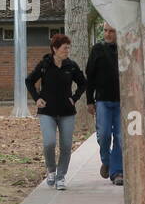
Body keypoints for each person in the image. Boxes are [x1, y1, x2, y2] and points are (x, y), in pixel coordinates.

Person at [25, 33, 86, 190]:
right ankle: (51, 169)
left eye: (68, 48)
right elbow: (29, 80)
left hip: (67, 112)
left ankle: (61, 177)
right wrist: (37, 98)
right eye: (65, 48)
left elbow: (83, 83)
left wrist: (75, 97)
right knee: (49, 143)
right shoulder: (45, 65)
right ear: (55, 48)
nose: (67, 51)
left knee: (66, 146)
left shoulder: (71, 66)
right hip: (47, 112)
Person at [85, 24, 123, 186]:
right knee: (104, 135)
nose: (107, 34)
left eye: (112, 31)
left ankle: (117, 172)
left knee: (121, 138)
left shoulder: (125, 49)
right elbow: (90, 76)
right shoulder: (97, 50)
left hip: (123, 102)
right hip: (102, 101)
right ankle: (106, 161)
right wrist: (89, 100)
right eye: (106, 31)